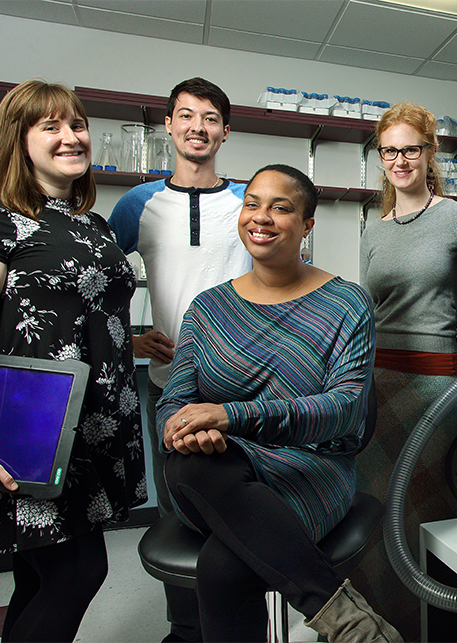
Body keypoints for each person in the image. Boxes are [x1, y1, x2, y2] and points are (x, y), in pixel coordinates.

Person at [157, 164, 401, 643]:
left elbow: (347, 407)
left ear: (307, 225)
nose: (261, 217)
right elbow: (175, 400)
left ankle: (348, 624)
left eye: (280, 207)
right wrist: (182, 428)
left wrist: (230, 415)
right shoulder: (207, 308)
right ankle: (354, 625)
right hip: (219, 467)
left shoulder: (346, 302)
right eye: (252, 204)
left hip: (310, 470)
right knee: (191, 466)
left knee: (225, 567)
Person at [0, 79, 147, 642]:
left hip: (97, 428)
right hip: (34, 430)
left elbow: (97, 310)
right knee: (80, 572)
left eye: (76, 124)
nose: (70, 137)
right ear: (18, 140)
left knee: (36, 576)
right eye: (50, 127)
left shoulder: (95, 226)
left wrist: (140, 342)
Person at [355, 101, 457, 640]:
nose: (400, 160)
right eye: (390, 150)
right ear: (382, 157)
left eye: (411, 149)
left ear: (429, 152)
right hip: (377, 384)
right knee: (375, 513)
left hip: (434, 389)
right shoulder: (373, 230)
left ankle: (437, 627)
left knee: (425, 512)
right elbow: (365, 311)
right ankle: (383, 628)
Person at [108, 77, 251, 642]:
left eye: (211, 117)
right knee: (179, 507)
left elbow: (277, 278)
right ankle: (187, 626)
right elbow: (96, 285)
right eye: (186, 116)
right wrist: (130, 337)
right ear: (168, 126)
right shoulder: (138, 204)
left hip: (242, 384)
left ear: (225, 131)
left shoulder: (248, 202)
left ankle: (239, 619)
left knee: (244, 499)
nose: (198, 127)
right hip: (171, 385)